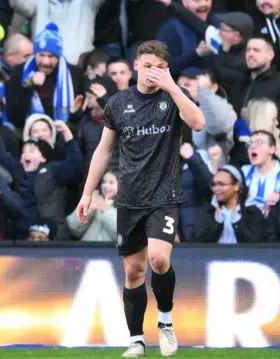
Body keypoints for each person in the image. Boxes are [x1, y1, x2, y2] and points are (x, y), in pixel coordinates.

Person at [75, 40, 205, 358]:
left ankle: (165, 321)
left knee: (159, 259)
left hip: (165, 194)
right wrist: (87, 193)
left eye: (160, 67)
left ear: (166, 69)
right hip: (130, 199)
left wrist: (173, 87)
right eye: (147, 66)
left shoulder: (173, 98)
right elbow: (104, 150)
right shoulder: (118, 103)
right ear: (136, 66)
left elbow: (199, 123)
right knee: (134, 272)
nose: (153, 73)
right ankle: (136, 340)